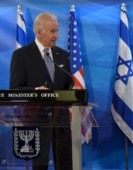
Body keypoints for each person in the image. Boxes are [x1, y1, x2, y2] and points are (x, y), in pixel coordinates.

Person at [10, 13, 73, 170]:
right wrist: (36, 91)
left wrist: (74, 90)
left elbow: (67, 85)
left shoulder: (62, 55)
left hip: (61, 120)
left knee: (65, 164)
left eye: (57, 31)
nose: (56, 36)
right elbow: (15, 89)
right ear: (39, 31)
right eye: (52, 31)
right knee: (40, 166)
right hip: (37, 120)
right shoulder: (21, 55)